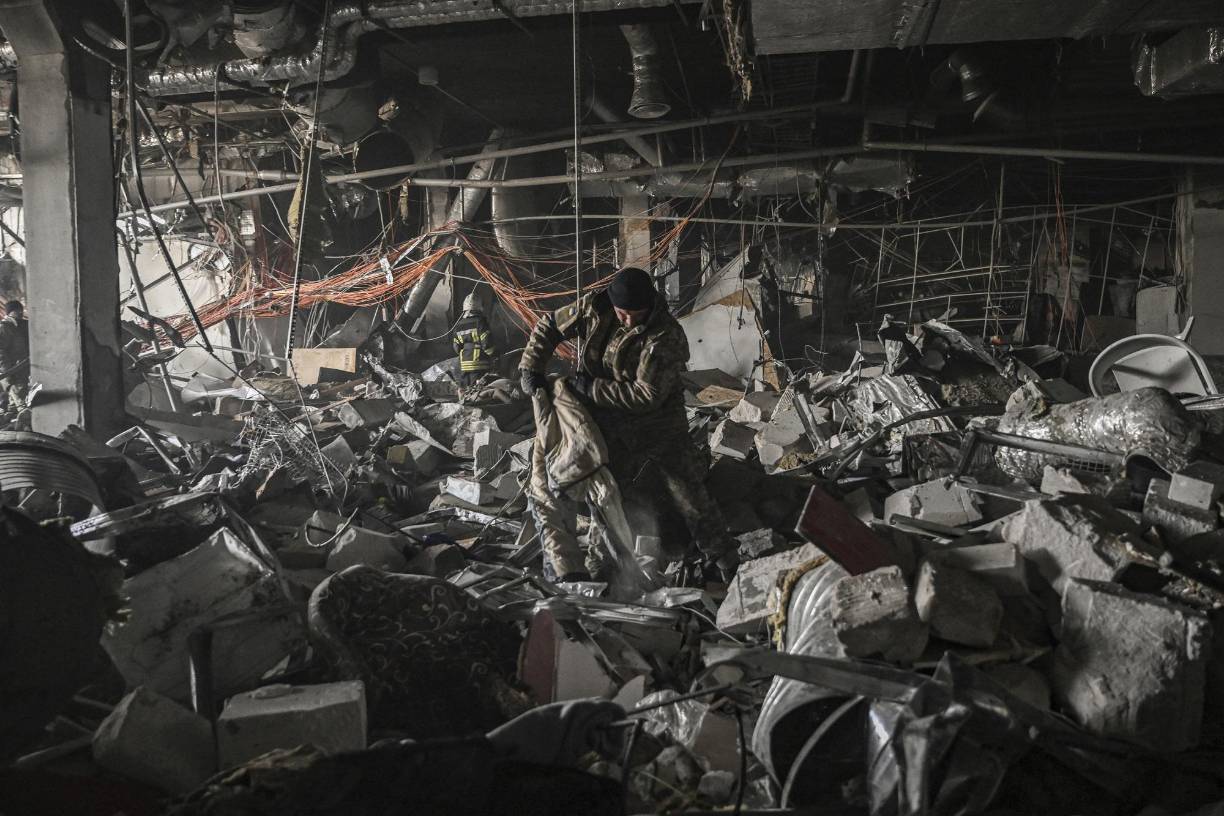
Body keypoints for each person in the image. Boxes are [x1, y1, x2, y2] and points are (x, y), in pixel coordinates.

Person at [519, 266, 735, 583]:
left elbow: (646, 396)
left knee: (689, 496)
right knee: (606, 496)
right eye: (623, 314)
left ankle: (726, 560)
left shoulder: (666, 336)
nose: (630, 321)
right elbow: (549, 325)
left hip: (660, 427)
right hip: (609, 425)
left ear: (650, 305)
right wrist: (531, 366)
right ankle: (601, 569)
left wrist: (590, 389)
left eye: (637, 314)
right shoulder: (595, 308)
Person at [452, 291, 498, 387]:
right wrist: (495, 355)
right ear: (479, 307)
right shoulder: (480, 322)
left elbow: (456, 347)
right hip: (479, 364)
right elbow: (487, 344)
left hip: (464, 364)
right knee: (478, 391)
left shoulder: (459, 325)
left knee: (466, 390)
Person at [0, 300, 29, 417]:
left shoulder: (20, 325)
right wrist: (7, 371)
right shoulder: (4, 328)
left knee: (13, 408)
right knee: (22, 405)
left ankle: (13, 423)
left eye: (21, 310)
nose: (21, 312)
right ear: (11, 312)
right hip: (12, 371)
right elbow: (0, 351)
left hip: (22, 369)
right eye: (18, 310)